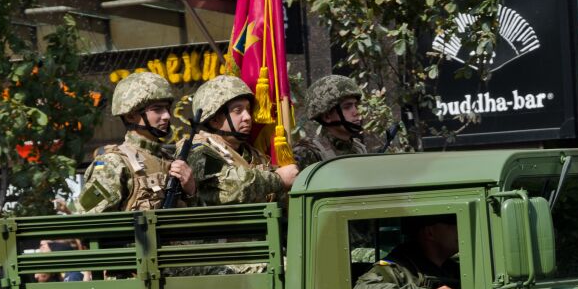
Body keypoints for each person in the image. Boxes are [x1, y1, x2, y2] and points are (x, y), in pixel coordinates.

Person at [78, 72, 196, 213]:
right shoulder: (114, 163)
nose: (167, 116)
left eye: (167, 108)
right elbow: (87, 220)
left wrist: (190, 190)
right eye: (157, 109)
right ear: (130, 116)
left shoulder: (171, 160)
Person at [187, 75, 300, 207]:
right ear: (214, 120)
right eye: (238, 111)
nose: (247, 117)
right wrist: (278, 179)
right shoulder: (197, 150)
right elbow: (226, 189)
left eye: (247, 109)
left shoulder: (254, 155)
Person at [350, 215, 462, 289]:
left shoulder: (452, 269)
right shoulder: (397, 268)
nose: (460, 228)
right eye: (452, 223)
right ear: (430, 232)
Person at [293, 74, 371, 166]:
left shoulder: (359, 149)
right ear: (327, 117)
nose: (356, 112)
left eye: (355, 106)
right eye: (347, 107)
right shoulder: (309, 153)